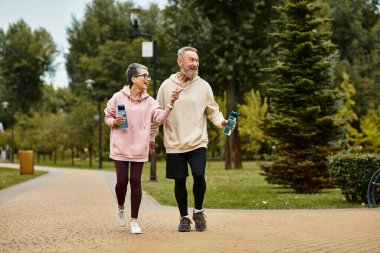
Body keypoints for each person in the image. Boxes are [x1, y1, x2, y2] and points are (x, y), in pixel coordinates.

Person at [150, 47, 229, 232]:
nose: (195, 64)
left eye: (197, 60)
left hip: (197, 141)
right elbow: (157, 113)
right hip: (174, 144)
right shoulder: (166, 86)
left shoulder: (204, 86)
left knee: (199, 174)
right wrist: (152, 137)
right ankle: (184, 217)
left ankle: (199, 211)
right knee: (179, 180)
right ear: (180, 62)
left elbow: (213, 111)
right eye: (191, 60)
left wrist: (222, 122)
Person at [104, 63, 182, 234]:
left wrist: (170, 104)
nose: (148, 79)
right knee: (122, 181)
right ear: (133, 79)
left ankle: (134, 221)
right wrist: (113, 122)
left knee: (136, 182)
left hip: (139, 147)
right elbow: (107, 116)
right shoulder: (118, 97)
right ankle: (120, 207)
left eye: (148, 76)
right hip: (120, 147)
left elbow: (159, 119)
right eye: (144, 76)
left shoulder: (151, 102)